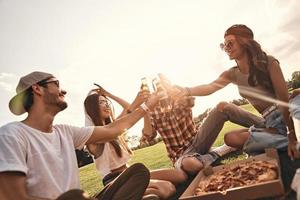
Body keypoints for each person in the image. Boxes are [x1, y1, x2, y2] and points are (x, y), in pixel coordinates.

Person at [0, 71, 162, 200]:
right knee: (74, 197)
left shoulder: (65, 132)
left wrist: (148, 105)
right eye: (56, 84)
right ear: (37, 89)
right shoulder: (11, 135)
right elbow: (13, 197)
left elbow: (113, 129)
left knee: (138, 171)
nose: (63, 90)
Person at [173, 24, 300, 160]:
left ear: (244, 42)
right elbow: (209, 87)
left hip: (290, 112)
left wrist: (292, 133)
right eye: (224, 45)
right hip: (269, 122)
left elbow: (284, 100)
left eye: (230, 43)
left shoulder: (268, 62)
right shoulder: (232, 74)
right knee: (231, 138)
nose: (226, 48)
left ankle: (293, 139)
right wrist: (186, 90)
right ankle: (285, 141)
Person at [84, 86, 187, 199]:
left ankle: (141, 195)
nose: (107, 104)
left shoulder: (114, 125)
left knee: (180, 176)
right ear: (92, 108)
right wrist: (140, 103)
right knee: (167, 189)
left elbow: (129, 108)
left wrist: (109, 94)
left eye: (106, 102)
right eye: (101, 103)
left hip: (131, 172)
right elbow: (131, 109)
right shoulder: (92, 136)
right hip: (116, 180)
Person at [142, 74, 240, 176]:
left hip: (198, 141)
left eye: (166, 83)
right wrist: (145, 109)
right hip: (181, 156)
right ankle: (220, 151)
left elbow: (190, 102)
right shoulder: (152, 110)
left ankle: (257, 125)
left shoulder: (179, 98)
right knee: (194, 165)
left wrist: (175, 93)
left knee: (220, 109)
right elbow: (149, 136)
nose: (164, 88)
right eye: (160, 86)